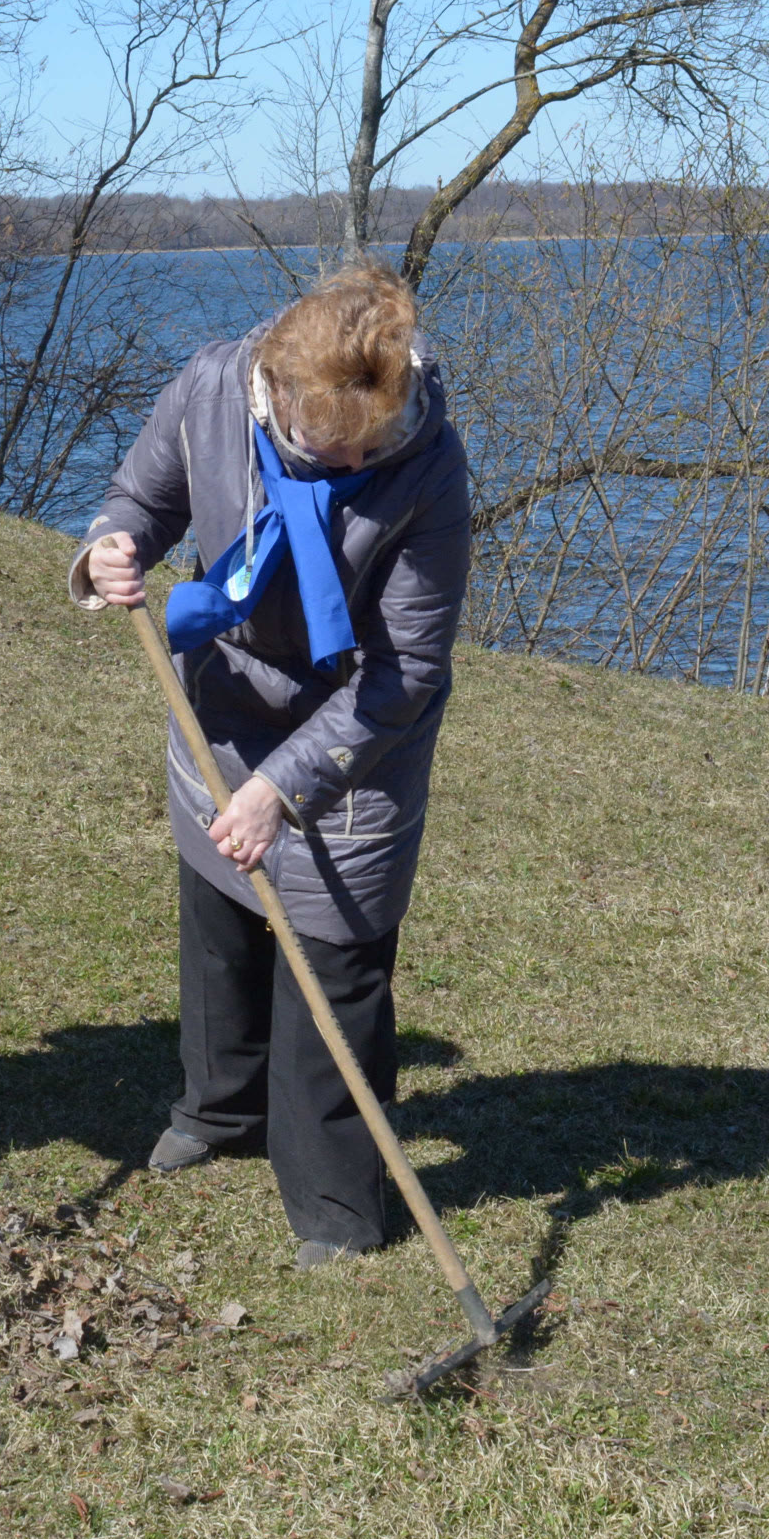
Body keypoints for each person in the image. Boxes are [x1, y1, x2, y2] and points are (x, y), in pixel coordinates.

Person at [70, 263, 470, 1267]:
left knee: (332, 960)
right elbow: (138, 497)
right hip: (223, 696)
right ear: (279, 391)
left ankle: (335, 1204)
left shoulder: (424, 463)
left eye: (365, 443)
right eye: (331, 443)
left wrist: (281, 788)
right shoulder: (213, 386)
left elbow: (405, 669)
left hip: (355, 730)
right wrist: (110, 545)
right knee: (218, 922)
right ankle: (218, 1107)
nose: (350, 459)